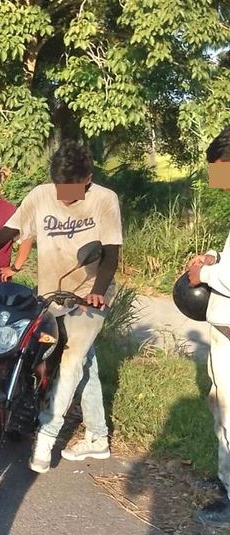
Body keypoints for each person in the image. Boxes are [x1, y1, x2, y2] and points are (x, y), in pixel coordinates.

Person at [0, 140, 122, 473]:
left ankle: (46, 435)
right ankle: (98, 438)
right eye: (60, 188)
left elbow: (110, 253)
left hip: (88, 297)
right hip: (51, 293)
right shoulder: (40, 195)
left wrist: (97, 291)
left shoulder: (104, 200)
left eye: (73, 189)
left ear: (89, 177)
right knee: (84, 363)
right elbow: (10, 229)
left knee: (71, 361)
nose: (65, 197)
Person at [186, 126, 230, 528]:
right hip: (224, 334)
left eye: (220, 171)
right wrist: (215, 255)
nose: (218, 182)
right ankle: (225, 482)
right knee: (221, 409)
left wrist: (203, 275)